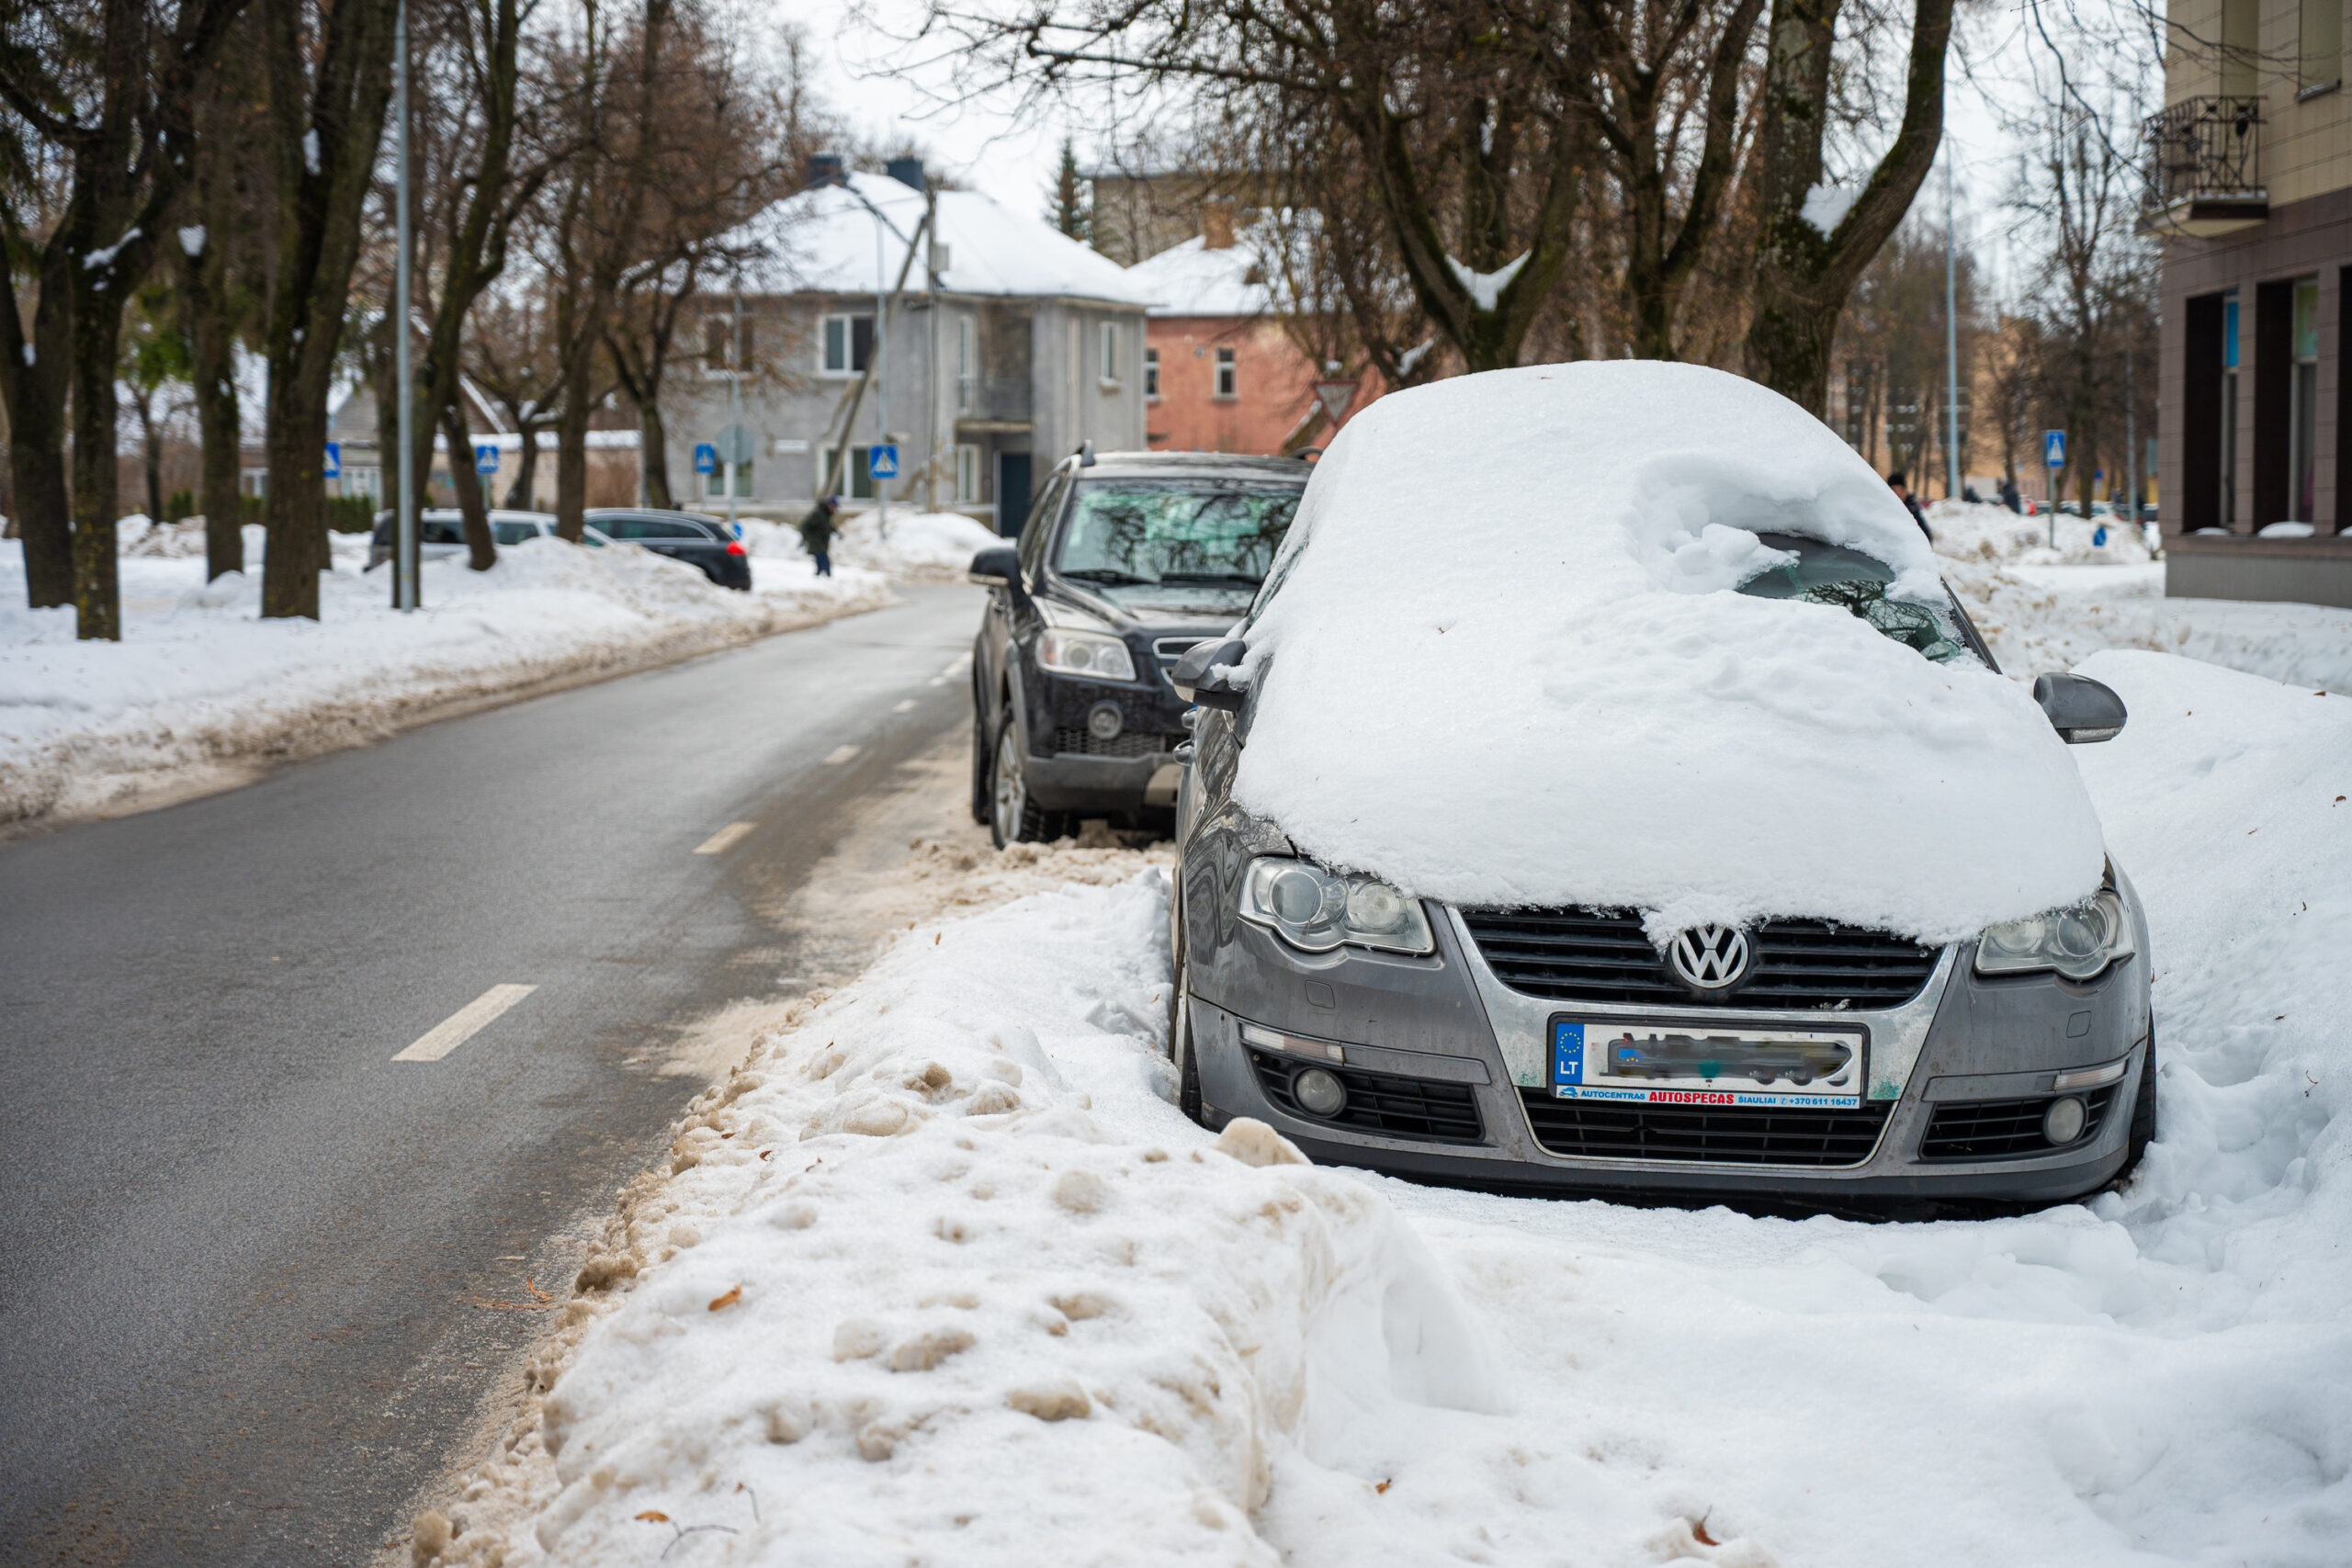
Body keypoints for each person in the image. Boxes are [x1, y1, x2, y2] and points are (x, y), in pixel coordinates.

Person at [799, 494, 840, 578]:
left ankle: (820, 579)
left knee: (821, 564)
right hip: (817, 543)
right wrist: (808, 538)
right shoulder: (819, 514)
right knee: (824, 563)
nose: (834, 509)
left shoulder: (825, 514)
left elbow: (827, 526)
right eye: (834, 507)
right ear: (830, 505)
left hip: (821, 543)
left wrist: (837, 532)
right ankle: (825, 580)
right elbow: (805, 526)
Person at [1887, 471, 1932, 542]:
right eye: (1894, 490)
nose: (1899, 494)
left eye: (1902, 490)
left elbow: (1926, 536)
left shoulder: (1912, 509)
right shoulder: (1885, 509)